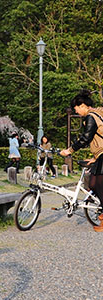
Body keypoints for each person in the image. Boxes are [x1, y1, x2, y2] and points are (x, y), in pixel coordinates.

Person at [59, 90, 103, 229]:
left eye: (76, 109)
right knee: (94, 183)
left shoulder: (91, 117)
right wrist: (95, 157)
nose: (76, 112)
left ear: (82, 105)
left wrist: (69, 150)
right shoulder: (98, 114)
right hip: (101, 154)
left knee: (97, 184)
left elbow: (85, 139)